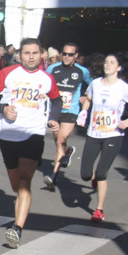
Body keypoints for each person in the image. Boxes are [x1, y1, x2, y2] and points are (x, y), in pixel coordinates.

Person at [0, 38, 62, 248]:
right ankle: (20, 209)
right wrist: (3, 108)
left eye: (35, 53)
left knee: (26, 180)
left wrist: (53, 118)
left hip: (34, 133)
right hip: (8, 134)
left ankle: (17, 228)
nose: (31, 57)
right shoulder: (7, 73)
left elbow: (56, 100)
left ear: (41, 55)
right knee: (16, 185)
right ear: (20, 55)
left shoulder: (47, 79)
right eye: (27, 53)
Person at [78, 53, 128, 222]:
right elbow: (87, 98)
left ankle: (99, 210)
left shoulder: (124, 88)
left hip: (113, 134)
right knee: (86, 175)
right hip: (94, 133)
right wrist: (84, 111)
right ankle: (93, 176)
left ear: (118, 68)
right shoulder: (95, 84)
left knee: (102, 173)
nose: (108, 65)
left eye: (112, 63)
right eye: (106, 62)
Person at [43, 42, 92, 191]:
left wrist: (85, 96)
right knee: (58, 141)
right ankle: (67, 152)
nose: (66, 57)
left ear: (76, 56)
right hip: (55, 109)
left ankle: (54, 176)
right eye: (64, 54)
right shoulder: (52, 68)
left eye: (70, 54)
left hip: (71, 110)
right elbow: (42, 82)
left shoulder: (82, 71)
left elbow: (93, 86)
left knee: (61, 140)